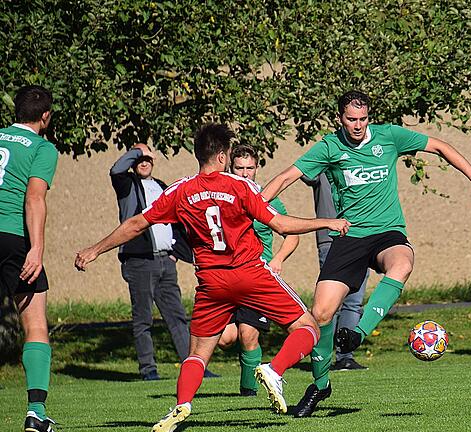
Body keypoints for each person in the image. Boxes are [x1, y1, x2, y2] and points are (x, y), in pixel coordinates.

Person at [75, 124, 350, 431]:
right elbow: (282, 225)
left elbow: (137, 223)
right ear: (222, 156)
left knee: (197, 353)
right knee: (308, 327)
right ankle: (275, 370)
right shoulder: (240, 187)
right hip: (249, 274)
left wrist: (95, 249)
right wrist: (327, 221)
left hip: (211, 283)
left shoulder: (180, 191)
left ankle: (182, 406)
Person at [261, 90, 471, 417]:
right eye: (351, 119)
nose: (357, 125)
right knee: (322, 313)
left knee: (403, 262)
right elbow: (287, 176)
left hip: (387, 232)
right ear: (340, 119)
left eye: (363, 119)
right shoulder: (330, 147)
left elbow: (440, 146)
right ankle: (321, 384)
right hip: (349, 235)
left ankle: (357, 334)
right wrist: (254, 207)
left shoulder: (389, 136)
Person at [110, 143, 208, 380]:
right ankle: (148, 369)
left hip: (166, 260)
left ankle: (192, 366)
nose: (144, 162)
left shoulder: (162, 186)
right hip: (140, 261)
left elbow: (177, 218)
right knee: (143, 318)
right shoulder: (127, 184)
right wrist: (138, 151)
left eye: (148, 159)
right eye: (140, 159)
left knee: (177, 317)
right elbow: (115, 170)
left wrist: (176, 253)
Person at [216, 144, 300, 396]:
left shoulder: (268, 199)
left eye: (249, 168)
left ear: (257, 169)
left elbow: (291, 236)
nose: (244, 173)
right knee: (225, 339)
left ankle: (248, 393)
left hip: (256, 276)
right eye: (239, 168)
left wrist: (278, 260)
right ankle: (249, 377)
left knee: (248, 333)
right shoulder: (223, 198)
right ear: (231, 168)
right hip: (227, 276)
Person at [0, 85, 58, 432]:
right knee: (35, 324)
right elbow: (34, 198)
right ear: (45, 116)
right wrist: (36, 248)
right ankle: (36, 413)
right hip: (13, 238)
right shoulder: (42, 148)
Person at [302, 174, 369, 371]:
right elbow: (305, 173)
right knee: (330, 305)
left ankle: (345, 356)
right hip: (330, 241)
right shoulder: (323, 163)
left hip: (360, 240)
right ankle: (321, 357)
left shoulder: (360, 162)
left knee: (354, 303)